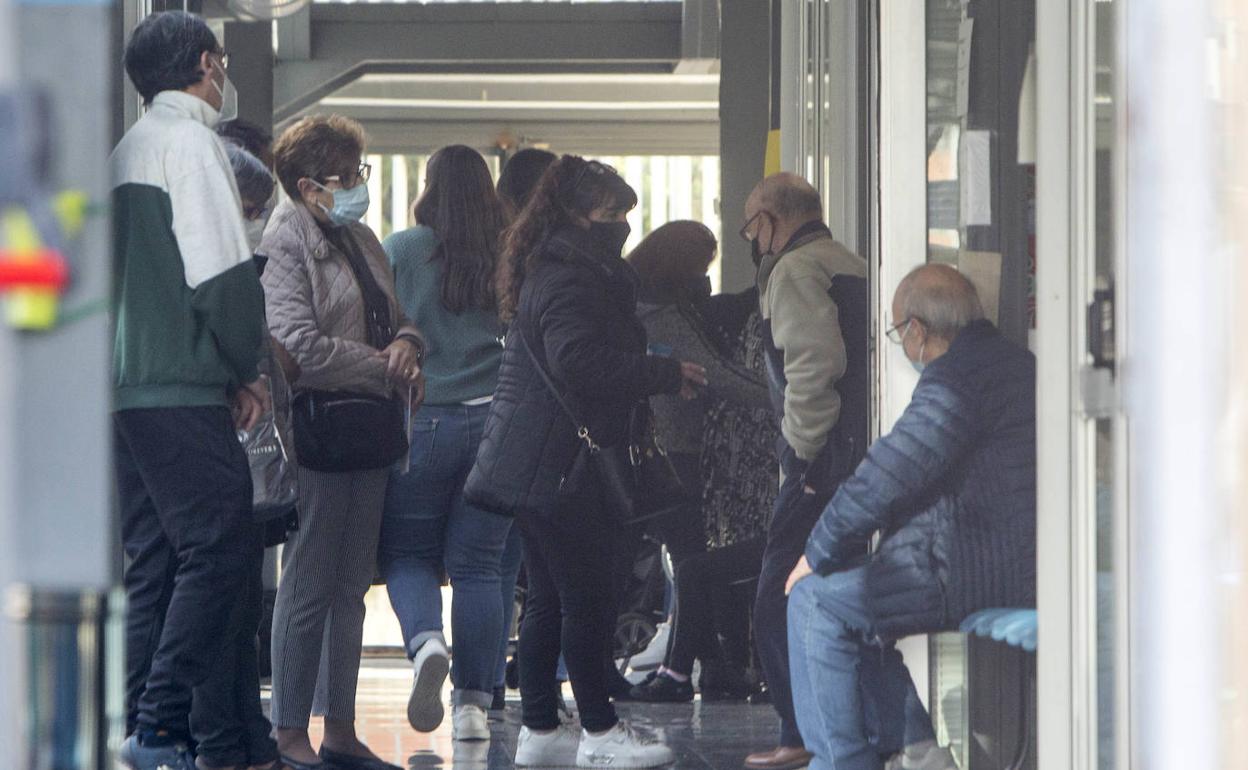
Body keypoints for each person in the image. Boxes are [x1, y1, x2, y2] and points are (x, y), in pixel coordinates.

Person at [465, 156, 706, 769]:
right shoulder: (573, 276)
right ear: (576, 213)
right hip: (564, 463)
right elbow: (578, 361)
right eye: (611, 212)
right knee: (588, 599)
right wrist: (662, 372)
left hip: (535, 460)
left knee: (549, 597)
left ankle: (541, 729)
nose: (623, 224)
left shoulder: (550, 265)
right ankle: (599, 734)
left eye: (627, 212)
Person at [785, 264, 1036, 770]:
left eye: (899, 332)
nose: (902, 344)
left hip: (977, 566)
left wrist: (817, 551)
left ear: (917, 330)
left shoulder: (960, 378)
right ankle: (921, 754)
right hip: (1010, 556)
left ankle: (840, 763)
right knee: (861, 607)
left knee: (814, 602)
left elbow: (893, 469)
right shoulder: (1013, 363)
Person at [111, 11, 272, 770]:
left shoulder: (126, 148)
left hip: (127, 391)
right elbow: (222, 278)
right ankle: (161, 723)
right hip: (182, 383)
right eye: (222, 59)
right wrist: (246, 368)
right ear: (205, 65)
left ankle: (139, 724)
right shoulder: (191, 143)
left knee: (155, 562)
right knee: (221, 547)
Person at [262, 114, 424, 770]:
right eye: (349, 176)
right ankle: (289, 730)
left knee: (352, 585)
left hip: (372, 432)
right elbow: (295, 347)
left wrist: (412, 346)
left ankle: (341, 728)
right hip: (318, 431)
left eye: (362, 172)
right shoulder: (286, 242)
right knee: (307, 584)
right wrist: (383, 365)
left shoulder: (361, 238)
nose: (360, 185)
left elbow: (400, 318)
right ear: (308, 185)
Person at [378, 145, 512, 741]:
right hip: (494, 425)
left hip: (423, 418)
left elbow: (373, 324)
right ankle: (473, 709)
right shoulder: (507, 254)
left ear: (430, 186)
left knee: (406, 553)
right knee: (480, 566)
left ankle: (426, 642)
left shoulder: (404, 249)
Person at [740, 173, 870, 770]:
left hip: (820, 459)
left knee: (776, 596)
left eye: (750, 225)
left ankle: (800, 734)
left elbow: (814, 366)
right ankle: (834, 732)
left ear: (770, 218)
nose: (751, 239)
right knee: (830, 589)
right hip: (855, 455)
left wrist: (800, 456)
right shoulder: (849, 260)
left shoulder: (794, 270)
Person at [623, 221, 772, 703]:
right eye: (701, 265)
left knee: (693, 563)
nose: (705, 277)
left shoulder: (634, 307)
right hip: (675, 456)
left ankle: (712, 669)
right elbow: (718, 373)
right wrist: (780, 397)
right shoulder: (663, 317)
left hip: (657, 451)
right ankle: (679, 672)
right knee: (694, 564)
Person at [492, 146, 559, 711]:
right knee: (560, 584)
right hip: (551, 438)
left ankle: (504, 697)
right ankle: (545, 699)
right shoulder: (558, 266)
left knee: (524, 576)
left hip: (507, 431)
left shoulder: (514, 260)